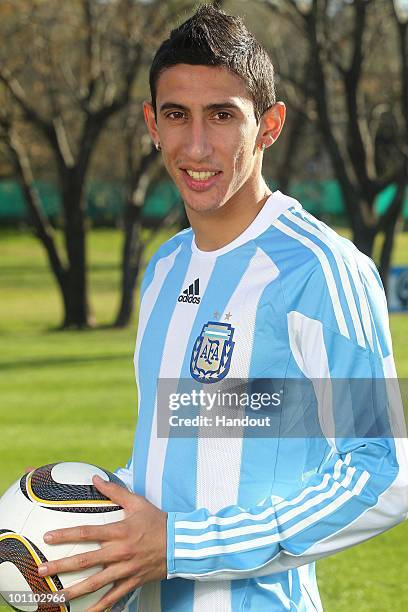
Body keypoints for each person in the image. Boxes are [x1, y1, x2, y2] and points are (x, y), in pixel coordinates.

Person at [37, 4, 408, 611]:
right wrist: (86, 520)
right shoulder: (165, 269)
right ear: (152, 124)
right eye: (178, 116)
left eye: (223, 116)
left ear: (269, 124)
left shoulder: (322, 269)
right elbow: (184, 445)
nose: (198, 144)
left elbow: (382, 471)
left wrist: (183, 542)